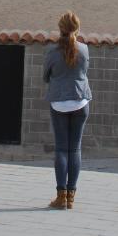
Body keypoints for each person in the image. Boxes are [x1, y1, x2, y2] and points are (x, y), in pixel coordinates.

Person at [43, 11, 91, 210]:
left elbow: (46, 76)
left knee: (62, 149)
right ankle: (71, 197)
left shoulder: (52, 52)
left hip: (59, 103)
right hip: (80, 101)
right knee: (75, 149)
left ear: (60, 28)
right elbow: (83, 72)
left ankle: (60, 196)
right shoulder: (85, 50)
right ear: (77, 29)